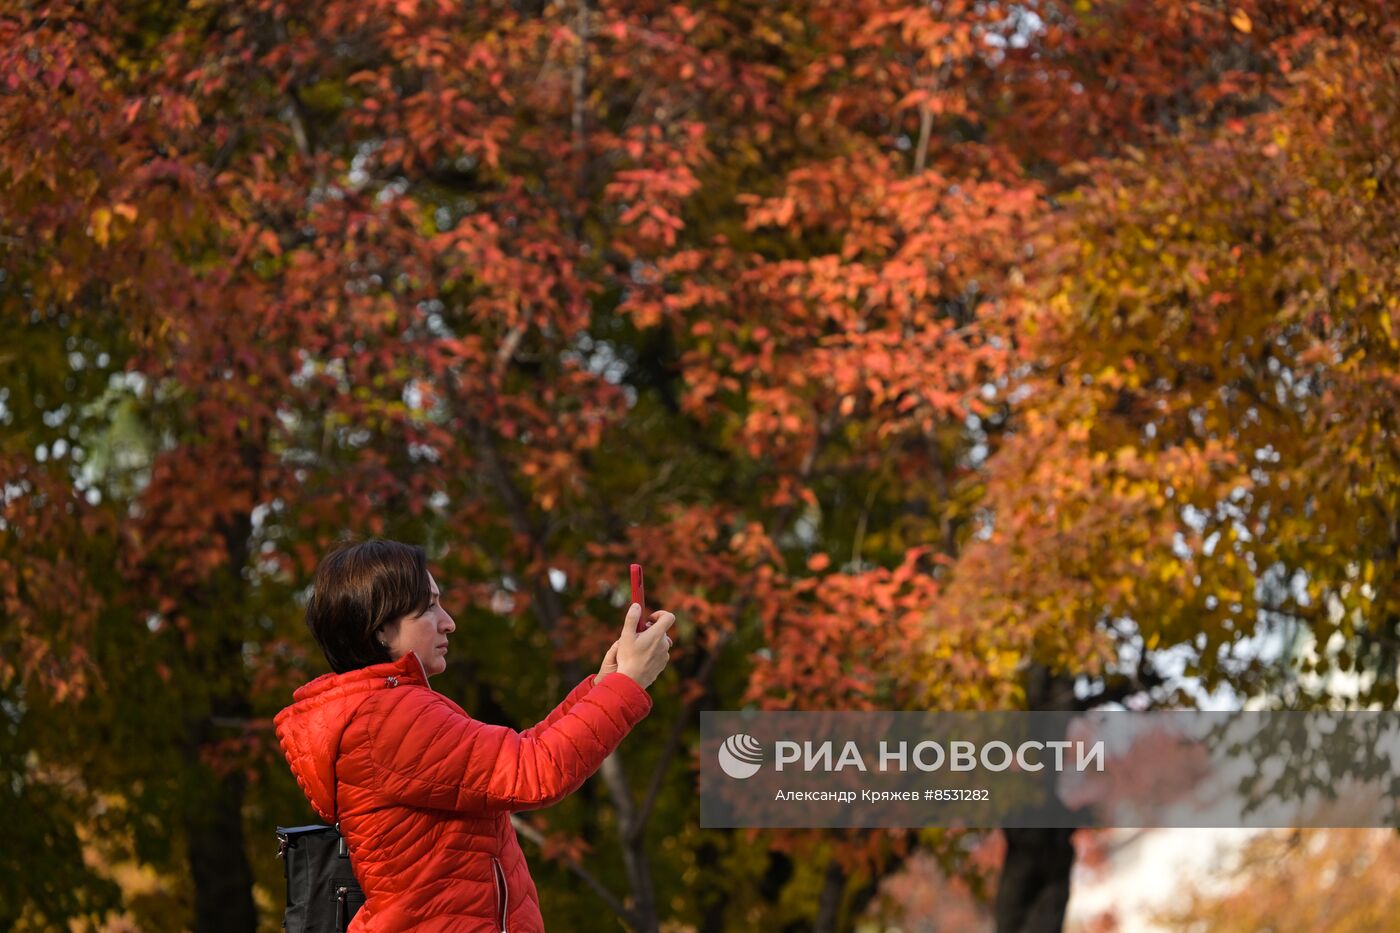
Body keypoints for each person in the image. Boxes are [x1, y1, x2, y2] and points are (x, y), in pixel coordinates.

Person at [274, 538, 673, 932]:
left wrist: (605, 685)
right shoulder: (387, 718)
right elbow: (535, 771)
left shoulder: (385, 710)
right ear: (380, 629)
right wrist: (627, 684)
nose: (449, 621)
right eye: (429, 608)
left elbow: (518, 756)